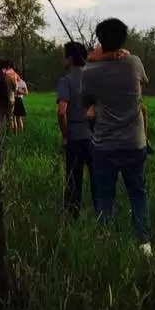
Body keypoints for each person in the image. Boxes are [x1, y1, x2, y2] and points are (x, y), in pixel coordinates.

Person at [83, 18, 152, 254]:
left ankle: (105, 243)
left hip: (104, 145)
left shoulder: (89, 71)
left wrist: (96, 58)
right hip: (135, 143)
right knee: (138, 194)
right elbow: (143, 81)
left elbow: (87, 100)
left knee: (104, 195)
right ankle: (144, 244)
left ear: (100, 41)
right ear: (123, 39)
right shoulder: (134, 63)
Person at [55, 41, 91, 215]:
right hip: (94, 137)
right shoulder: (93, 78)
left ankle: (71, 216)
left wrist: (65, 135)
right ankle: (102, 215)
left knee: (73, 179)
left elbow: (62, 111)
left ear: (70, 58)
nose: (62, 60)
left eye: (64, 56)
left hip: (75, 137)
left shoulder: (65, 80)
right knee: (97, 178)